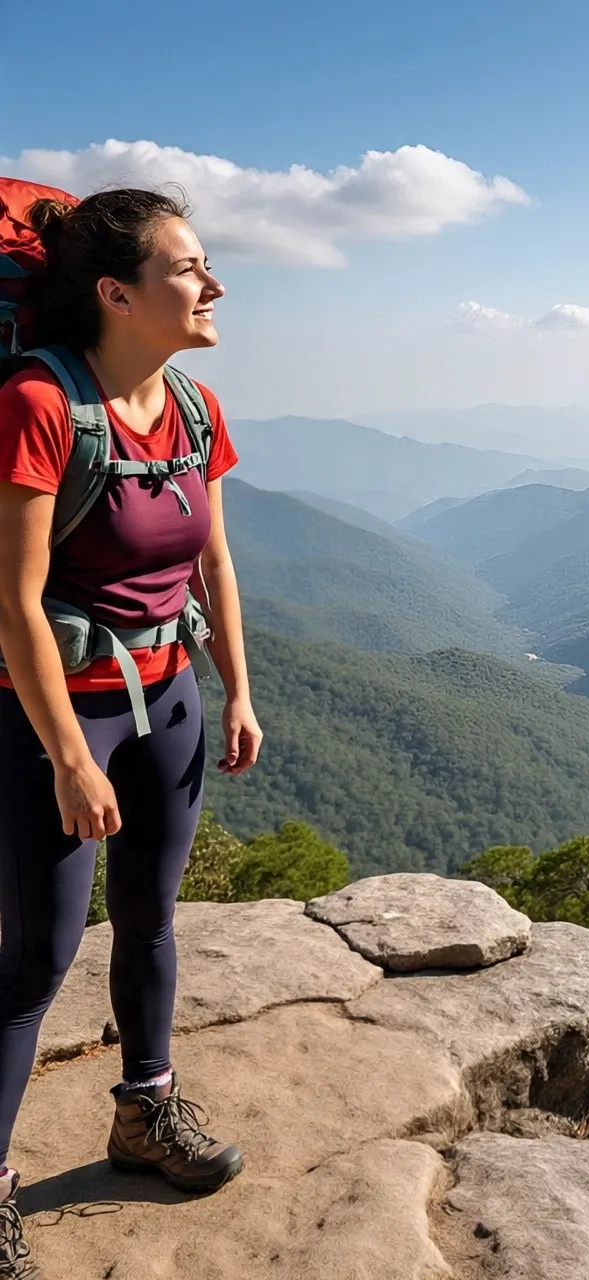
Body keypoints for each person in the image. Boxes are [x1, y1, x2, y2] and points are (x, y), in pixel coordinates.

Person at [0, 187, 263, 1278]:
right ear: (116, 292)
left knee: (153, 919)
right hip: (56, 709)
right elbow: (11, 601)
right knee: (37, 956)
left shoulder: (193, 406)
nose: (213, 284)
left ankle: (143, 1111)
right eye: (190, 268)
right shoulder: (36, 402)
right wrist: (66, 752)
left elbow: (211, 559)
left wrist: (237, 689)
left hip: (170, 701)